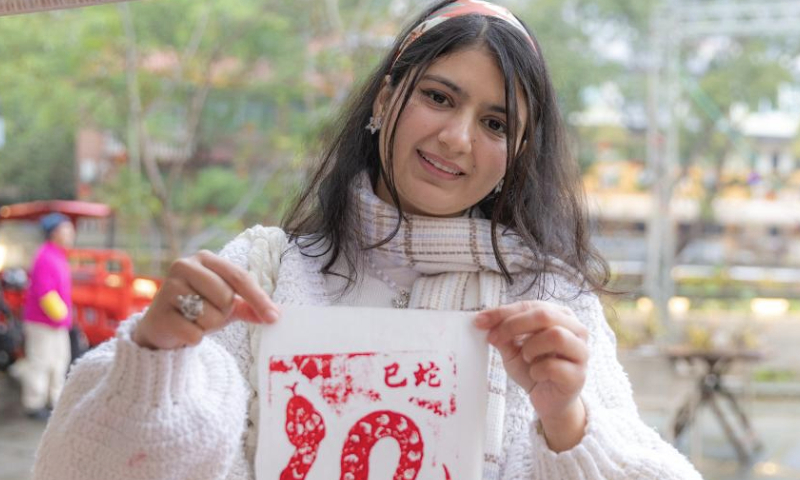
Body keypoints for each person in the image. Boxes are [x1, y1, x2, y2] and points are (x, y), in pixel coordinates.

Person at [33, 1, 703, 479]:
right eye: (439, 97)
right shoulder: (263, 275)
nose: (457, 138)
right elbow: (77, 467)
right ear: (383, 102)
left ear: (518, 155)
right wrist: (156, 357)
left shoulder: (555, 306)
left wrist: (568, 423)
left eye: (496, 123)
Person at [19, 213, 74, 420]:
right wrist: (62, 316)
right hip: (43, 322)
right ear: (54, 233)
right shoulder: (45, 257)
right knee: (41, 362)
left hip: (56, 322)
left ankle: (54, 401)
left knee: (59, 362)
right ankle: (34, 404)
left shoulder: (57, 255)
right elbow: (45, 292)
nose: (71, 234)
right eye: (66, 230)